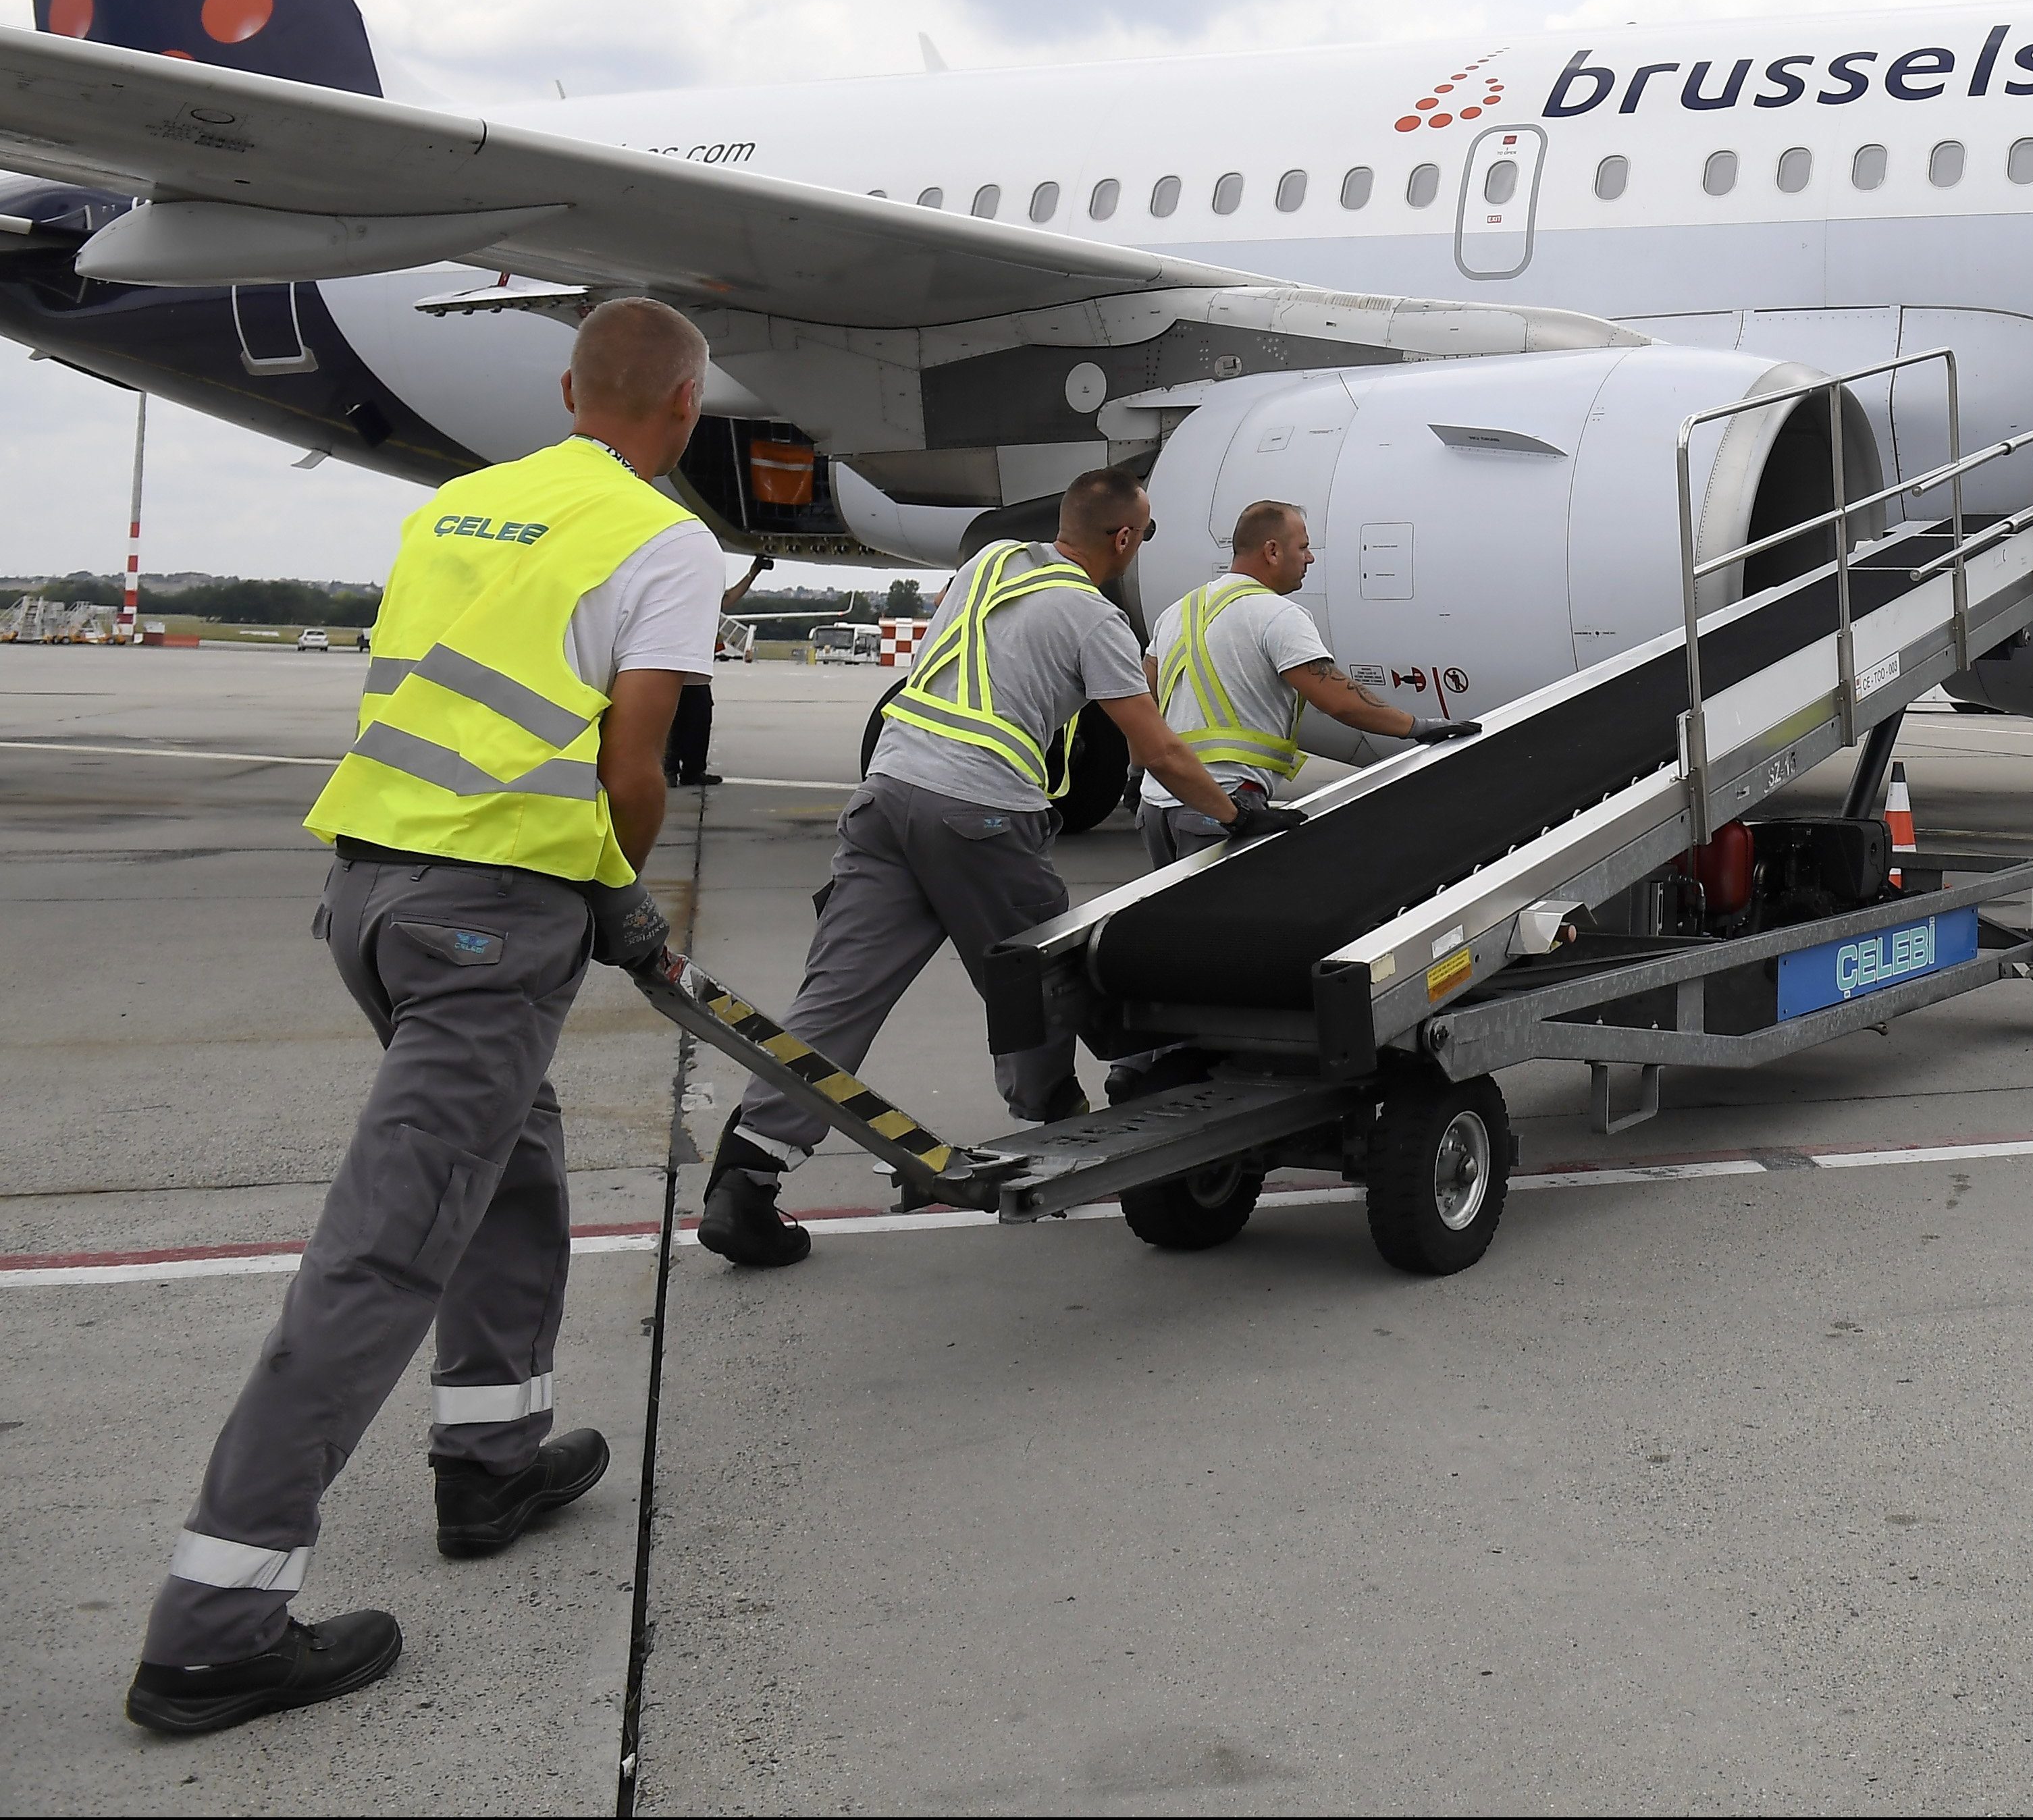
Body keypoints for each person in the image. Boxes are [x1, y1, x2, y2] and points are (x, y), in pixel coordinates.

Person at [126, 299, 720, 1734]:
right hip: (486, 924)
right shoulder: (667, 538)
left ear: (572, 390)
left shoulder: (460, 509)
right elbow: (632, 768)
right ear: (686, 416)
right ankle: (216, 1626)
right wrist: (619, 895)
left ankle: (492, 1452)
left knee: (513, 1153)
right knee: (387, 1249)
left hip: (372, 904)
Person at [695, 469, 1247, 1269]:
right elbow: (1155, 747)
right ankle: (1069, 1112)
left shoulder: (988, 564)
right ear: (1123, 541)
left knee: (836, 999)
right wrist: (1237, 815)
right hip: (981, 811)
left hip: (886, 796)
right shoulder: (1097, 620)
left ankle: (745, 1181)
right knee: (1047, 971)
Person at [1111, 501, 1480, 1096]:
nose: (1312, 557)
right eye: (1304, 546)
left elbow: (1143, 702)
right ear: (1271, 551)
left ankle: (1144, 1064)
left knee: (1177, 943)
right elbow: (1339, 700)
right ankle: (1188, 1072)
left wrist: (1135, 779)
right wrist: (1417, 727)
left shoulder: (1180, 611)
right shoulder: (1277, 616)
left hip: (1161, 802)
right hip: (1227, 805)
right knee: (1233, 951)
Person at [662, 555, 768, 788]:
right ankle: (673, 770)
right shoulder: (677, 602)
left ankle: (687, 771)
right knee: (679, 725)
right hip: (680, 674)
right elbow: (729, 597)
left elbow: (731, 596)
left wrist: (753, 573)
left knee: (695, 725)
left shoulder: (700, 601)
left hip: (696, 676)